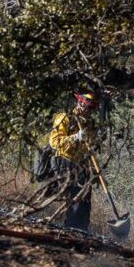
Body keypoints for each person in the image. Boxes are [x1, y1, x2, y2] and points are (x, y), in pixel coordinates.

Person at [49, 91, 101, 232]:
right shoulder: (65, 118)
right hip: (65, 162)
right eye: (85, 105)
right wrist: (74, 138)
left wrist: (95, 170)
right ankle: (70, 231)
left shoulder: (90, 125)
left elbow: (90, 150)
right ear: (79, 103)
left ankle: (82, 232)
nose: (87, 110)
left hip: (83, 166)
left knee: (85, 201)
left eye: (91, 108)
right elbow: (54, 142)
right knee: (75, 199)